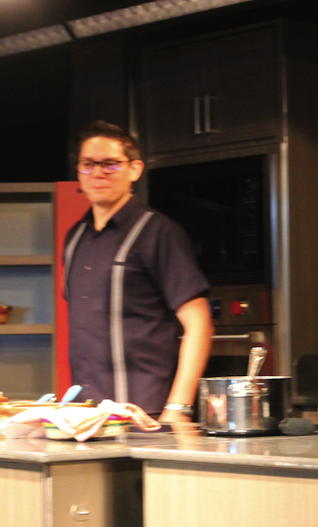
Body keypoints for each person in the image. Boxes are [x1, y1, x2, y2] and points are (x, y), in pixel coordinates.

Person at [63, 121, 214, 422]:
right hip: (86, 415)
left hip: (148, 413)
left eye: (110, 164)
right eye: (88, 165)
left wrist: (177, 408)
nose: (98, 173)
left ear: (134, 169)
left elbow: (199, 324)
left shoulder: (158, 233)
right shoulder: (74, 237)